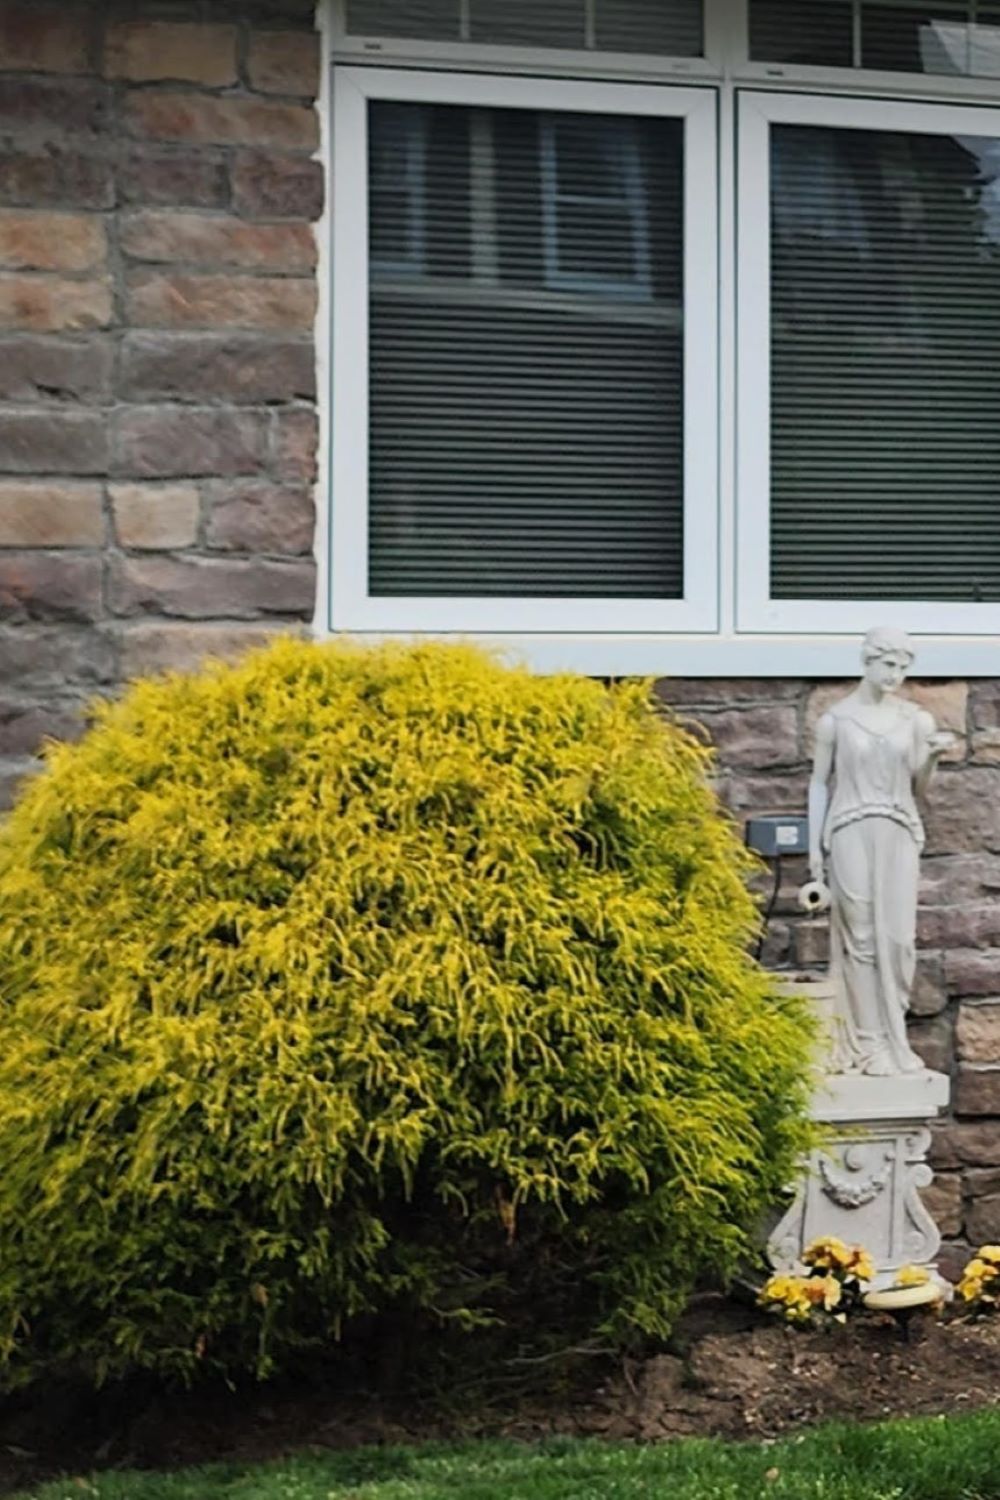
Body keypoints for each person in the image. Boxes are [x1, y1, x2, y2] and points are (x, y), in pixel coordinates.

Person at [808, 627, 954, 1076]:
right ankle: (869, 1045)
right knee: (862, 938)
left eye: (903, 667)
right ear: (867, 662)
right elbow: (818, 783)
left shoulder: (915, 720)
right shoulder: (835, 721)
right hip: (850, 827)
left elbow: (918, 785)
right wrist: (815, 850)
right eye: (888, 664)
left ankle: (897, 1038)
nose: (895, 675)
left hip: (898, 828)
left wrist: (930, 758)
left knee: (898, 939)